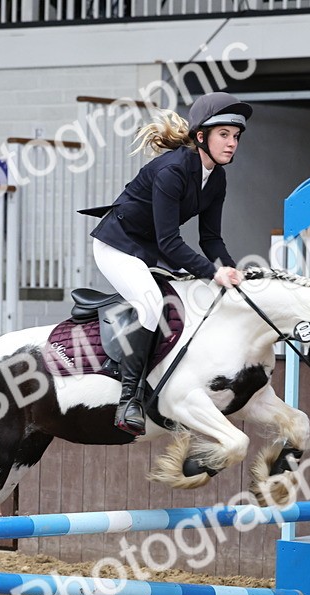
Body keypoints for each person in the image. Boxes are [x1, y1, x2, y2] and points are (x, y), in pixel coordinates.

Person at [81, 91, 251, 436]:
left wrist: (231, 271)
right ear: (201, 137)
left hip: (151, 249)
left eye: (235, 137)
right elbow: (169, 241)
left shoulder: (216, 177)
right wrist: (213, 272)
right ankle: (130, 399)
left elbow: (210, 239)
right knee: (151, 303)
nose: (232, 144)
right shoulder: (173, 170)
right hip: (118, 246)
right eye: (224, 135)